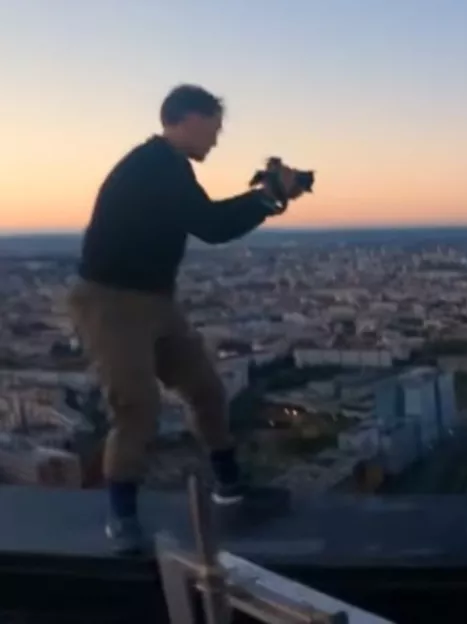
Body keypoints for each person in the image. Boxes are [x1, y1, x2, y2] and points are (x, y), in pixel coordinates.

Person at [68, 84, 305, 554]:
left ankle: (229, 485)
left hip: (154, 301)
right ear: (186, 119)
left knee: (206, 390)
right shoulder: (155, 166)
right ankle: (122, 517)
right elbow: (212, 225)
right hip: (113, 304)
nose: (216, 140)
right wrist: (268, 196)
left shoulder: (165, 166)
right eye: (213, 128)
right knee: (135, 406)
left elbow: (206, 219)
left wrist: (266, 197)